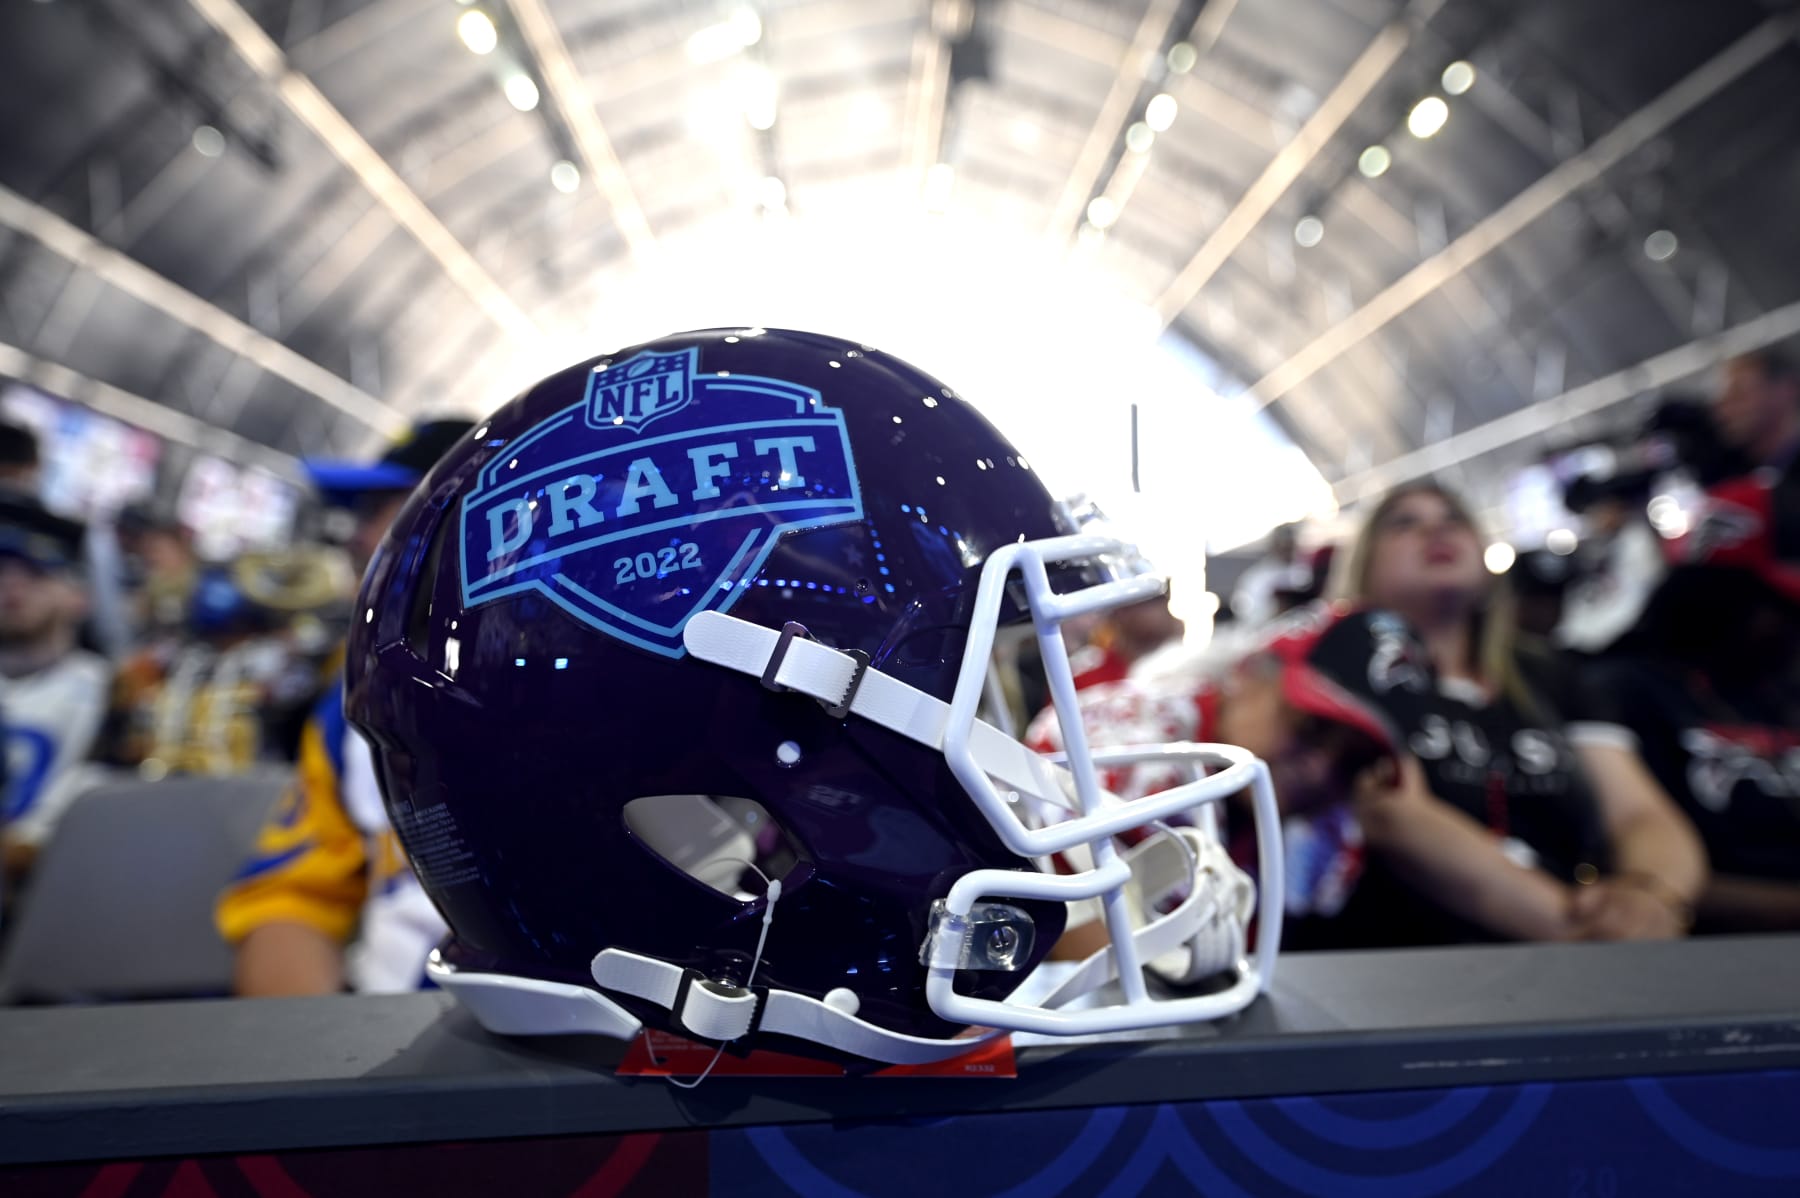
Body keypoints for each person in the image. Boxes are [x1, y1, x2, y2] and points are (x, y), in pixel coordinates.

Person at [1323, 481, 1707, 947]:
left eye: (1454, 520)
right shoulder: (1340, 668)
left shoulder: (1549, 674)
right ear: (1363, 563)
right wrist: (1585, 931)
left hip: (1587, 949)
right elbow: (1392, 815)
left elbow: (1638, 811)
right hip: (1408, 961)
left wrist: (1653, 897)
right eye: (1405, 523)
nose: (1437, 533)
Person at [215, 419, 471, 996]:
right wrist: (319, 1067)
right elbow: (289, 900)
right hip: (388, 1045)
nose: (357, 538)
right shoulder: (353, 699)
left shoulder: (624, 674)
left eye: (385, 508)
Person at [1568, 479, 1800, 931]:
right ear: (1716, 595)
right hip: (1714, 958)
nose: (1786, 628)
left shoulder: (1777, 692)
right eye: (1770, 608)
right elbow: (1635, 870)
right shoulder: (1624, 689)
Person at [0, 495, 111, 891]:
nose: (12, 585)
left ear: (79, 596)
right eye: (2, 570)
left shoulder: (115, 695)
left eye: (36, 572)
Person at [1230, 522, 1307, 630]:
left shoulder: (1304, 571)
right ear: (1274, 546)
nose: (1287, 550)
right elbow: (1247, 612)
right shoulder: (1257, 577)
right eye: (1283, 546)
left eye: (1290, 546)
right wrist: (1274, 609)